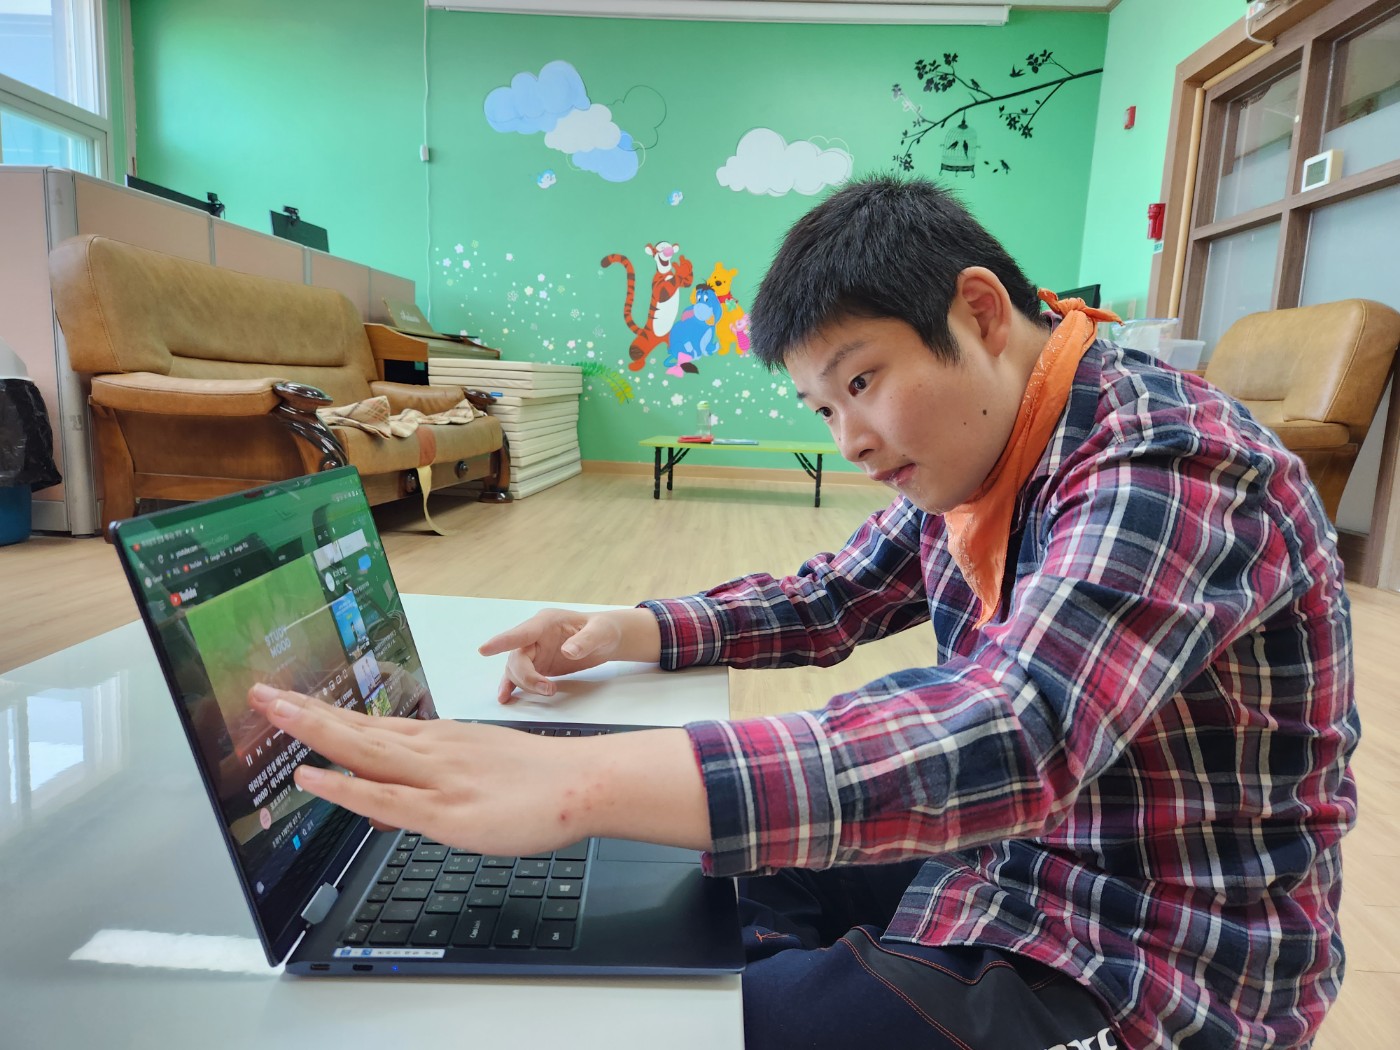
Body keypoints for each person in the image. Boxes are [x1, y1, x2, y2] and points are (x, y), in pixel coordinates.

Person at [249, 175, 1358, 1049]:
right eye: (823, 409)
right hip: (1021, 861)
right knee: (695, 886)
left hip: (1154, 953)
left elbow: (1016, 733)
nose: (851, 441)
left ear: (978, 311)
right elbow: (836, 593)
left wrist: (575, 780)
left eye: (860, 383)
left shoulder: (1166, 458)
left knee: (706, 1006)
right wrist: (629, 628)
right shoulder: (1003, 435)